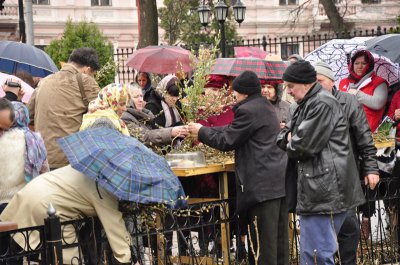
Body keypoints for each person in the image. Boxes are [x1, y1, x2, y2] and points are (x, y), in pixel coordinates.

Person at [189, 71, 288, 265]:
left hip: (261, 188)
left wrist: (200, 132)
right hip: (275, 184)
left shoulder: (248, 110)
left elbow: (227, 140)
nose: (233, 95)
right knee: (278, 244)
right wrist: (203, 131)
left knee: (262, 248)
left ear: (242, 92)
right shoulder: (263, 106)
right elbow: (232, 130)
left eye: (234, 91)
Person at [276, 60, 365, 265]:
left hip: (323, 192)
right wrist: (291, 137)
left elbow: (301, 146)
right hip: (321, 189)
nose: (287, 91)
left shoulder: (321, 103)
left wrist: (292, 137)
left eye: (290, 86)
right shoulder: (305, 103)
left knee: (316, 255)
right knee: (314, 254)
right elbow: (282, 137)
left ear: (305, 84)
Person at [314, 61, 379, 264]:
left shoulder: (348, 102)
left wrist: (371, 168)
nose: (315, 85)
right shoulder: (308, 104)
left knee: (348, 229)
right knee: (324, 234)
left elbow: (364, 138)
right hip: (319, 178)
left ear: (331, 80)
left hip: (345, 176)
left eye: (320, 80)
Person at [28, 47, 101, 169]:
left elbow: (28, 116)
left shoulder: (44, 82)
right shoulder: (86, 81)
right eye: (93, 74)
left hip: (42, 159)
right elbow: (104, 115)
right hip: (71, 160)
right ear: (87, 70)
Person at [121, 83, 189, 147]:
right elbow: (145, 137)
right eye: (136, 97)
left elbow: (157, 132)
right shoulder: (125, 117)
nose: (140, 100)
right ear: (128, 99)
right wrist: (171, 132)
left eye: (141, 96)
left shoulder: (146, 114)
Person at [339, 49, 389, 132]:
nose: (359, 66)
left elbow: (378, 104)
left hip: (368, 133)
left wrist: (357, 94)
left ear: (369, 65)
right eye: (356, 63)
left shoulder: (379, 83)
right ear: (352, 65)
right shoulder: (344, 82)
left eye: (364, 63)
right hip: (346, 131)